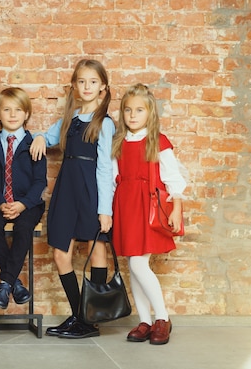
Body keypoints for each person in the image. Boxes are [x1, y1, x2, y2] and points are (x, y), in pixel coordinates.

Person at [30, 59, 115, 339]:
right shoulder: (70, 118)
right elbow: (47, 135)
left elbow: (104, 169)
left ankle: (89, 321)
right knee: (60, 253)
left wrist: (105, 211)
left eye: (93, 81)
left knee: (97, 251)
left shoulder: (104, 124)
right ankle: (80, 315)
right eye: (82, 81)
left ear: (102, 87)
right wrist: (41, 137)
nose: (87, 86)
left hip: (91, 190)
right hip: (67, 188)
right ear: (75, 87)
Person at [111, 83, 186, 345]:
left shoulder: (158, 141)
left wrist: (176, 208)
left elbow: (173, 177)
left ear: (150, 113)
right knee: (133, 266)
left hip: (148, 206)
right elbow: (113, 179)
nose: (133, 115)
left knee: (138, 263)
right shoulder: (118, 142)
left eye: (139, 110)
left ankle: (162, 318)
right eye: (128, 110)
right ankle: (144, 321)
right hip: (125, 205)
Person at [0, 87, 47, 309]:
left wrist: (22, 204)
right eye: (6, 109)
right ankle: (14, 283)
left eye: (18, 109)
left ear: (26, 114)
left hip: (28, 204)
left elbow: (40, 182)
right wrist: (0, 203)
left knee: (23, 227)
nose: (12, 114)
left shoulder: (33, 144)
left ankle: (5, 284)